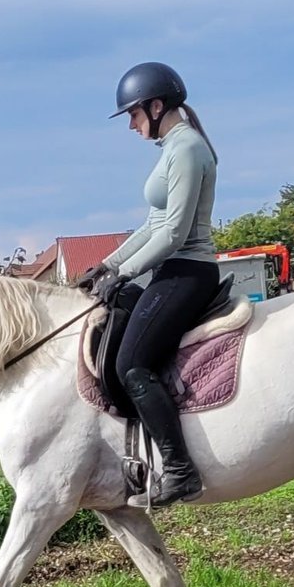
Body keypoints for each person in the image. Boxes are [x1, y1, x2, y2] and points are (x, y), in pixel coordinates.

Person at [77, 61, 220, 508]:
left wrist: (124, 272)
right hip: (169, 269)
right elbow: (151, 224)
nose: (133, 125)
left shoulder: (187, 149)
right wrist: (107, 266)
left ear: (157, 106)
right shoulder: (172, 149)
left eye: (135, 115)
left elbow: (174, 233)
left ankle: (179, 471)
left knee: (132, 364)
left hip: (187, 270)